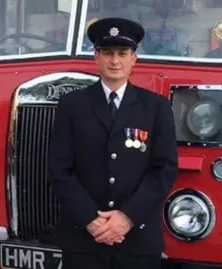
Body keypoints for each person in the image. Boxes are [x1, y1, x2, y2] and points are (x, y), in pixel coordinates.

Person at [48, 17, 178, 269]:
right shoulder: (72, 106)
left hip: (137, 239)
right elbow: (59, 169)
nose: (115, 60)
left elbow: (164, 169)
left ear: (134, 59)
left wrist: (127, 218)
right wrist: (90, 220)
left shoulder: (156, 107)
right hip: (83, 239)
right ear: (96, 57)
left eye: (122, 53)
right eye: (107, 52)